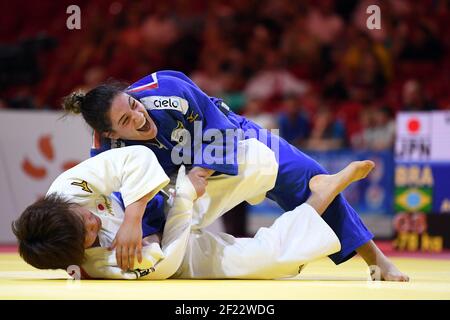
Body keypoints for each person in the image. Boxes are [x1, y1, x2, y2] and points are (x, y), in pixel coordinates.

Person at [62, 70, 408, 281]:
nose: (138, 119)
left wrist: (201, 170)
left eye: (134, 107)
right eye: (125, 122)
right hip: (167, 177)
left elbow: (220, 127)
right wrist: (139, 231)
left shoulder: (166, 90)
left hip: (230, 134)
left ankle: (378, 261)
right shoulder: (104, 148)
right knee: (155, 226)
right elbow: (121, 191)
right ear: (109, 133)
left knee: (312, 179)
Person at [13, 145, 380, 280]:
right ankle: (322, 197)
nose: (93, 223)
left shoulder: (66, 188)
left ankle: (310, 182)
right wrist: (185, 201)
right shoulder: (94, 264)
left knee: (250, 160)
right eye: (88, 236)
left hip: (152, 200)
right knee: (268, 260)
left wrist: (132, 218)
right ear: (79, 254)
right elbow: (166, 262)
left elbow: (136, 158)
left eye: (84, 218)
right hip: (175, 246)